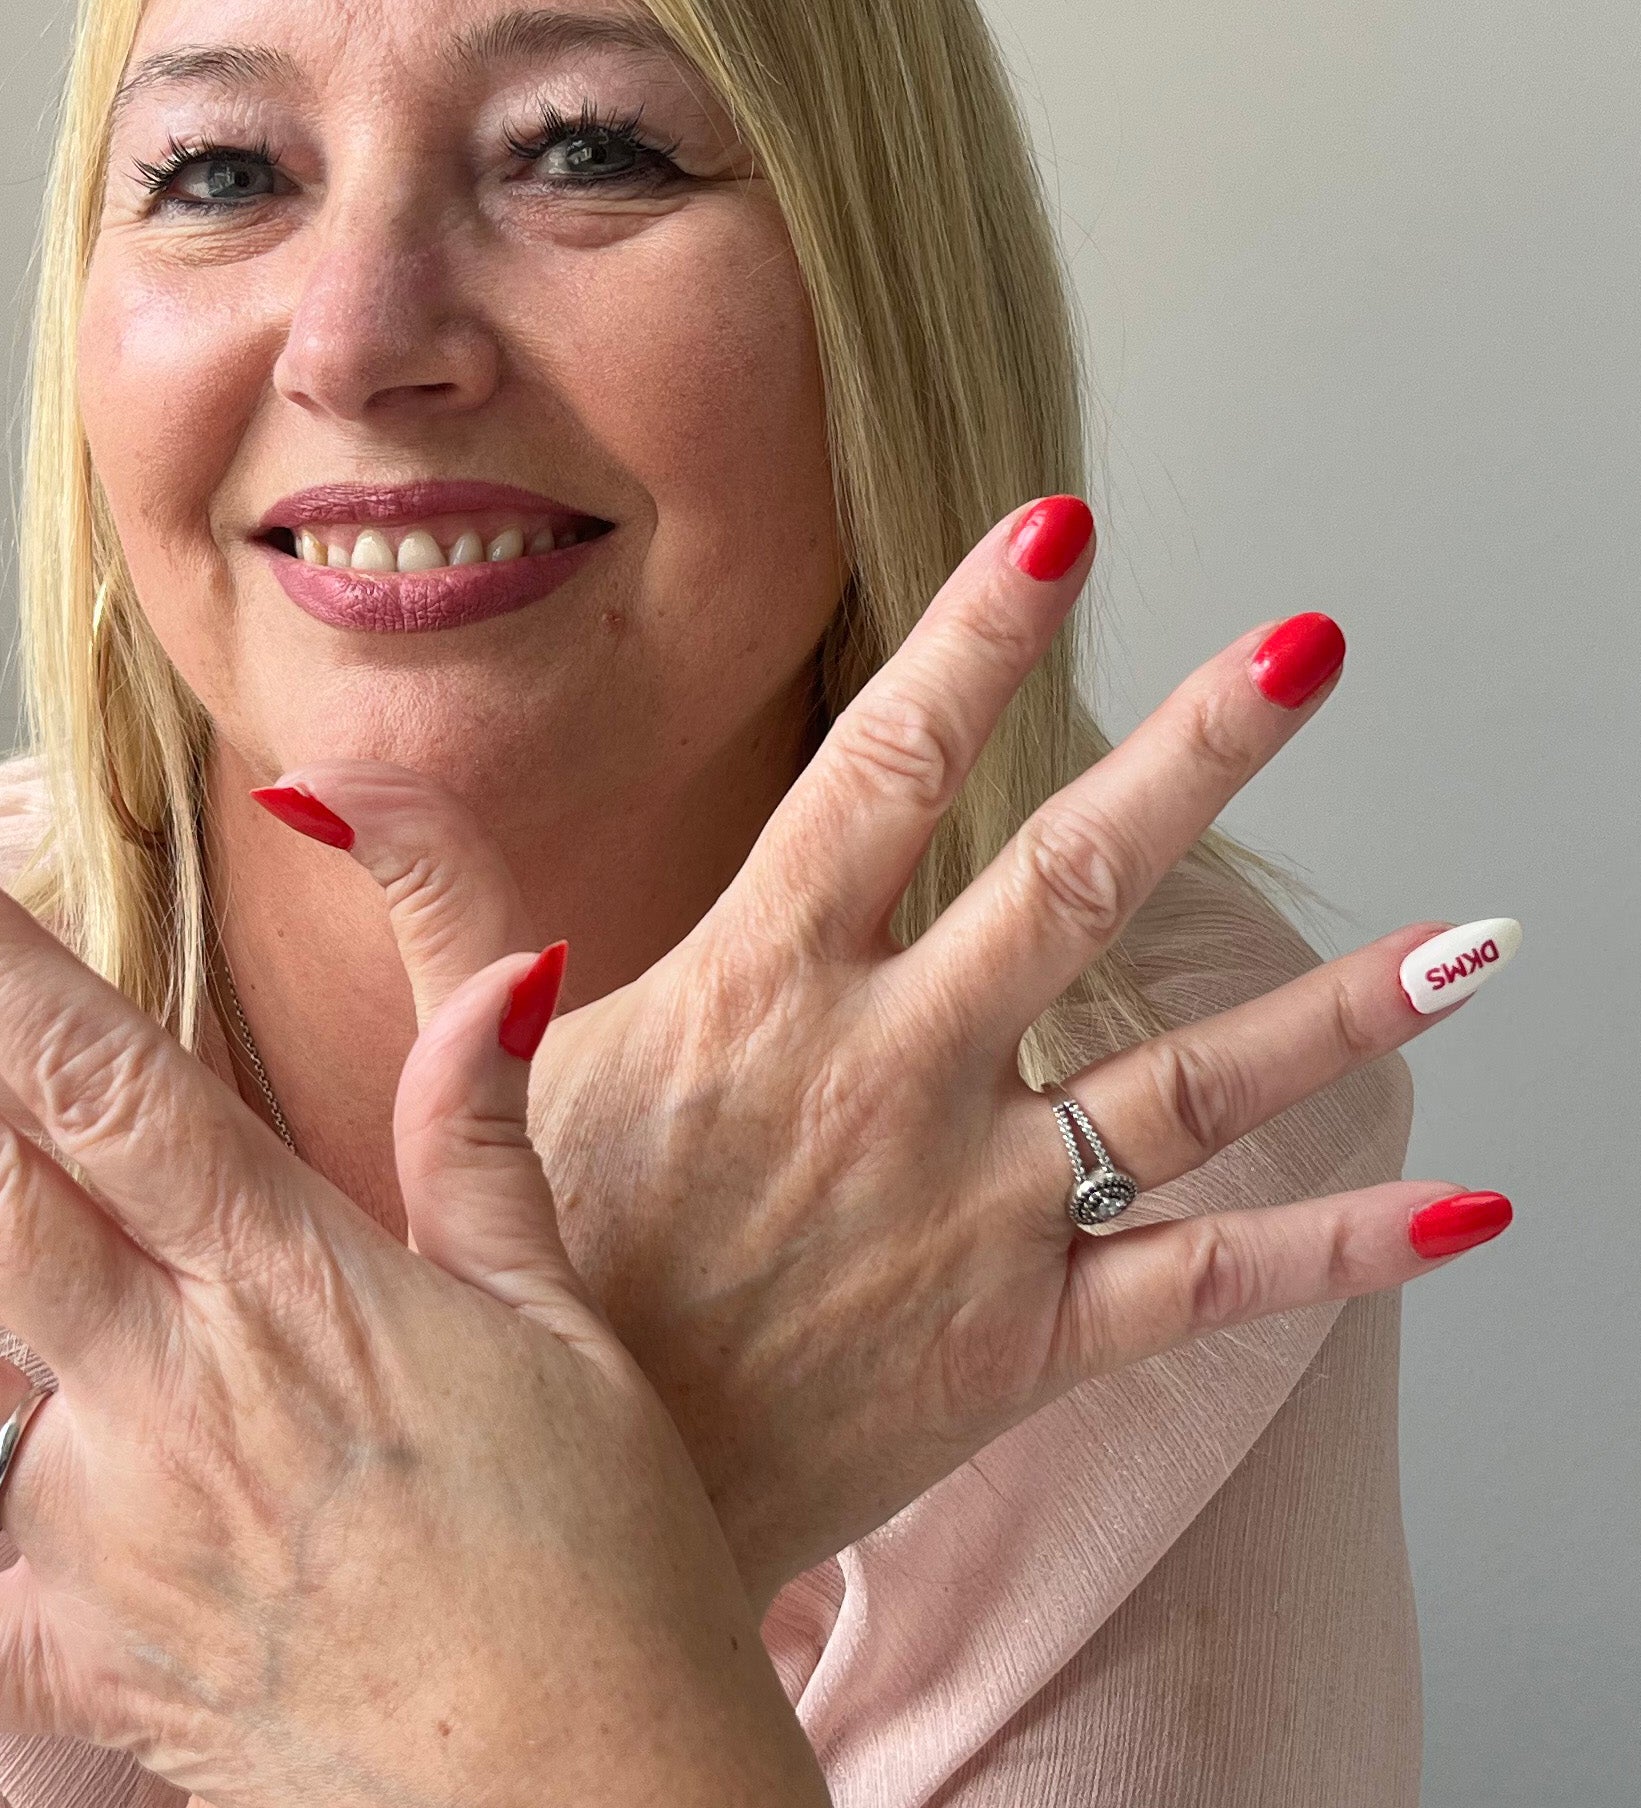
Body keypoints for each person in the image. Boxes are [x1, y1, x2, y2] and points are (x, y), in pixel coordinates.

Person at [0, 0, 1525, 1800]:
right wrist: (628, 1462)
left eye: (585, 150)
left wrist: (497, 1579)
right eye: (220, 173)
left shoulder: (1127, 1113)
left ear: (884, 293)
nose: (357, 344)